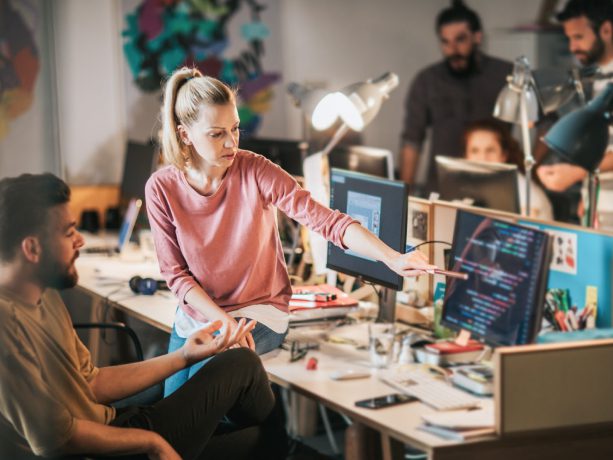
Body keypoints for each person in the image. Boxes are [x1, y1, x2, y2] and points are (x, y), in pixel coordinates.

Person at [147, 66, 436, 396]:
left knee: (196, 396)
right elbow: (176, 275)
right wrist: (222, 322)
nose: (231, 142)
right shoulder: (161, 187)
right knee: (170, 412)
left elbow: (327, 221)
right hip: (199, 317)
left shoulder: (255, 169)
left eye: (235, 129)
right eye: (216, 134)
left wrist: (392, 258)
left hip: (259, 312)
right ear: (185, 135)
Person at [0, 173, 284, 460]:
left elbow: (92, 383)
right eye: (68, 232)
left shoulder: (42, 291)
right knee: (243, 367)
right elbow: (58, 440)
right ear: (32, 249)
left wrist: (185, 355)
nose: (80, 240)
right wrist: (151, 443)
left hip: (106, 421)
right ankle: (277, 442)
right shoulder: (5, 325)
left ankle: (273, 442)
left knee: (259, 438)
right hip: (92, 448)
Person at [400, 0, 512, 195]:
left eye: (460, 40)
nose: (453, 49)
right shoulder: (427, 80)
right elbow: (412, 140)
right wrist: (403, 195)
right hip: (440, 189)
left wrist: (533, 174)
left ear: (477, 37)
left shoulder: (505, 75)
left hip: (496, 189)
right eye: (445, 42)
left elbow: (545, 124)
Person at [537, 0, 613, 210]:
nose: (572, 47)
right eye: (569, 38)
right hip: (598, 205)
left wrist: (577, 172)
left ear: (606, 30)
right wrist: (587, 195)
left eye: (578, 37)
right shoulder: (593, 80)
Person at [463, 119, 553, 220]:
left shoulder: (526, 194)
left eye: (490, 150)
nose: (483, 158)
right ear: (466, 156)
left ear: (504, 155)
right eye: (474, 151)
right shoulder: (467, 186)